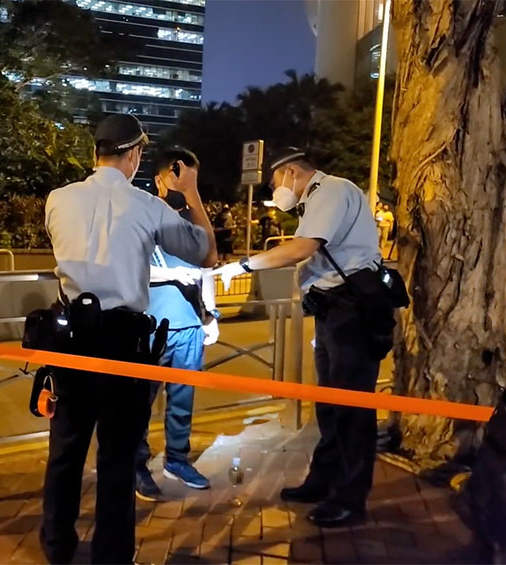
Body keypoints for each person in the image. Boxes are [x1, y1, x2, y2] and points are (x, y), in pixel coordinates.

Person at [40, 114, 216, 564]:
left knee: (65, 450)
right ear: (135, 155)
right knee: (117, 457)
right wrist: (191, 191)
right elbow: (205, 253)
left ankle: (57, 547)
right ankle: (112, 554)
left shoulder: (58, 199)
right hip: (122, 341)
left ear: (95, 152)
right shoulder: (146, 206)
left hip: (70, 337)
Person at [211, 147, 386, 528]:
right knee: (330, 403)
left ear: (291, 171)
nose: (275, 190)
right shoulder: (317, 199)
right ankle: (324, 480)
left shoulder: (332, 191)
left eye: (275, 181)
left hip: (351, 311)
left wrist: (242, 266)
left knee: (351, 406)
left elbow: (302, 248)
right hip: (334, 309)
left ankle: (350, 498)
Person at [135, 147, 220, 502]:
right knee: (140, 401)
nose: (184, 185)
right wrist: (170, 275)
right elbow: (130, 266)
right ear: (160, 180)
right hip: (150, 325)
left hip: (188, 325)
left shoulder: (192, 217)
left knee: (183, 400)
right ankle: (136, 462)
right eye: (179, 178)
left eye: (191, 179)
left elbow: (207, 265)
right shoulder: (142, 214)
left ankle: (177, 460)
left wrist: (211, 314)